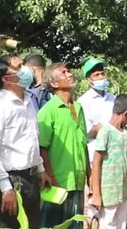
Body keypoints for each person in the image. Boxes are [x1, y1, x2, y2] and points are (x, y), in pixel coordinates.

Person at [0, 55, 52, 229]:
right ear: (7, 79)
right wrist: (6, 188)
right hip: (9, 181)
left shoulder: (28, 101)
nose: (26, 69)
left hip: (30, 180)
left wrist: (41, 169)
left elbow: (31, 140)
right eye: (19, 66)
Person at [38, 63, 89, 229]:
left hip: (78, 181)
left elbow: (83, 144)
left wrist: (89, 177)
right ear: (54, 84)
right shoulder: (48, 111)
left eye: (68, 70)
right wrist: (52, 179)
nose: (69, 74)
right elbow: (42, 148)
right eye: (64, 72)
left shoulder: (79, 108)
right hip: (58, 184)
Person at [90, 94, 127, 229]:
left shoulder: (126, 133)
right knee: (107, 224)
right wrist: (96, 194)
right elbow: (96, 163)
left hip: (123, 192)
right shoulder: (106, 132)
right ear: (126, 114)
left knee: (122, 225)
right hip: (107, 194)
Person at [77, 57, 117, 162]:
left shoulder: (113, 98)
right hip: (95, 155)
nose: (101, 77)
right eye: (96, 75)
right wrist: (105, 127)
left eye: (102, 74)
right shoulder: (83, 102)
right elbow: (87, 133)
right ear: (89, 80)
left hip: (114, 152)